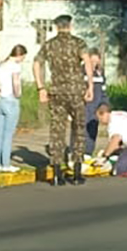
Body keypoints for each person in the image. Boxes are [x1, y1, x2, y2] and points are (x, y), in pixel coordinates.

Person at [33, 14, 94, 186]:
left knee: (56, 131)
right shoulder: (78, 43)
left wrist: (41, 87)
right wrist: (90, 85)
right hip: (76, 92)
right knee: (78, 129)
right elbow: (87, 62)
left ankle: (56, 173)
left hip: (57, 92)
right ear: (70, 26)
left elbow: (36, 63)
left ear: (56, 27)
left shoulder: (49, 45)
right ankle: (76, 173)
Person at [0, 45, 27, 174]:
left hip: (0, 100)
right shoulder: (16, 66)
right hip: (11, 100)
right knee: (8, 135)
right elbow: (16, 82)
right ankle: (6, 164)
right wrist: (18, 94)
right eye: (23, 57)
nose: (23, 59)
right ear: (20, 55)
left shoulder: (1, 64)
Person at [70, 47, 108, 157]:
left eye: (96, 61)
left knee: (92, 131)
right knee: (78, 131)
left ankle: (88, 153)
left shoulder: (100, 74)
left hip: (95, 109)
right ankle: (74, 154)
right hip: (82, 107)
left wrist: (104, 105)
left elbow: (104, 93)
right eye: (92, 61)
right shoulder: (79, 73)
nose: (94, 64)